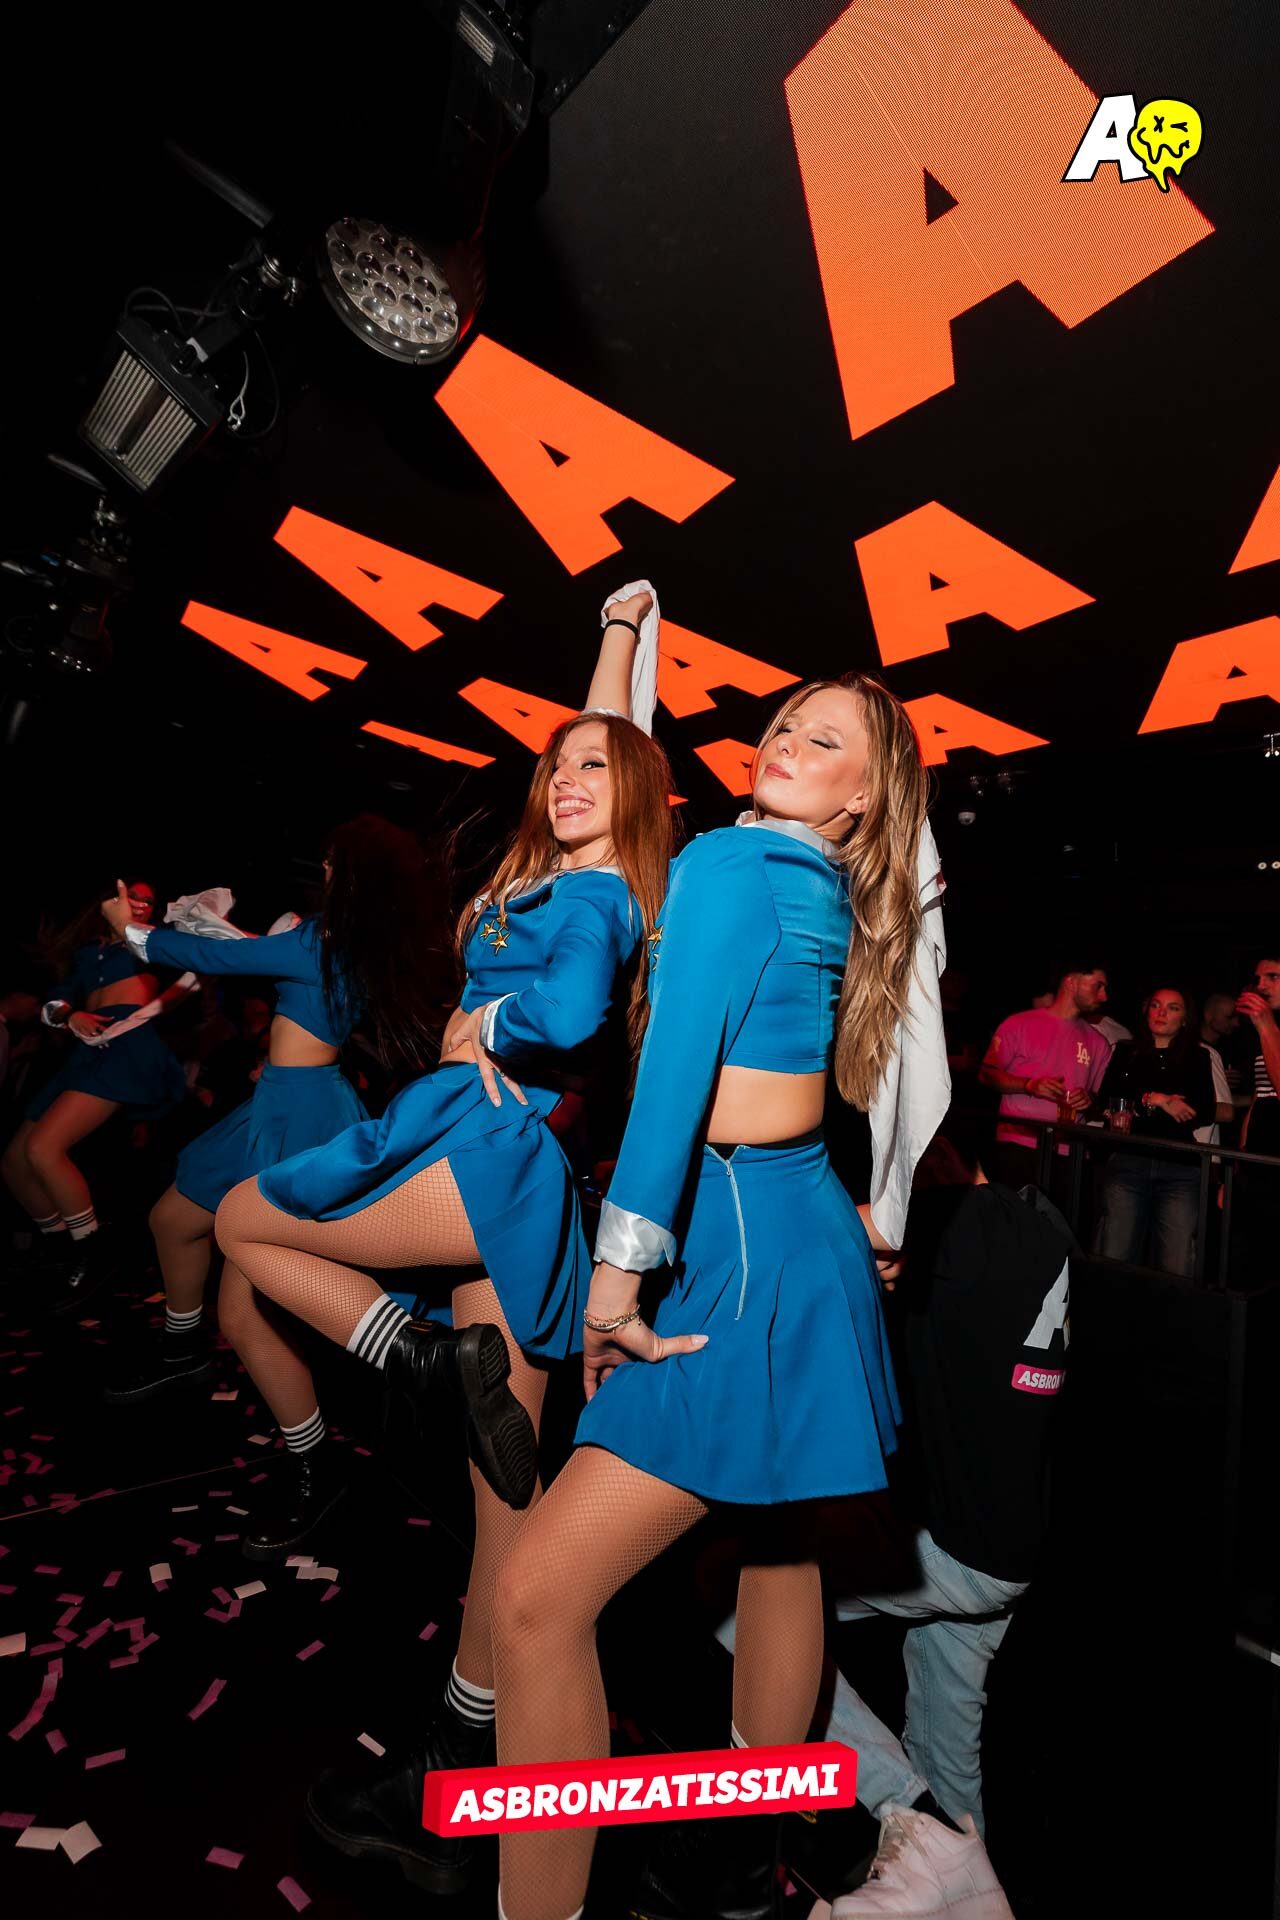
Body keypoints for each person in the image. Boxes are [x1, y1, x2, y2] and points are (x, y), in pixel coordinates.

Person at [213, 590, 674, 1891]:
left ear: (637, 800)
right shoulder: (559, 867)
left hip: (483, 1151)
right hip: (520, 1182)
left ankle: (411, 1357)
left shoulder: (597, 893)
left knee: (244, 1218)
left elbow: (571, 1006)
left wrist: (498, 1025)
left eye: (596, 772)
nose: (570, 778)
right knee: (504, 1509)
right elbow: (598, 745)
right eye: (557, 767)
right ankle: (461, 1752)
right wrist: (617, 637)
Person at [488, 671, 948, 1920]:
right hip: (800, 1230)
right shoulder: (824, 881)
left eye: (825, 740)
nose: (786, 742)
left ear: (866, 796)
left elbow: (675, 1077)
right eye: (784, 725)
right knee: (777, 1547)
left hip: (737, 1248)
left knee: (532, 1602)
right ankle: (751, 1849)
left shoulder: (735, 865)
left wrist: (615, 1279)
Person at [755, 1128, 1067, 1920]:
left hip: (953, 1549)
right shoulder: (1045, 1229)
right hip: (1009, 1543)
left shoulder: (956, 1230)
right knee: (946, 1749)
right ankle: (966, 1897)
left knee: (742, 1602)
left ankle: (902, 1803)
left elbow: (813, 1226)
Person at [99, 817, 436, 1416]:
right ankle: (184, 1352)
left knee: (246, 1309)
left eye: (333, 859)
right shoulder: (344, 940)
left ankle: (314, 1443)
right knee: (173, 1220)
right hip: (282, 1100)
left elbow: (217, 956)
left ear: (354, 872)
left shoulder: (323, 941)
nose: (324, 867)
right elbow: (253, 952)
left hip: (301, 1114)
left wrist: (129, 929)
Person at [0, 878, 192, 1311]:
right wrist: (70, 1015)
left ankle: (94, 1252)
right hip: (86, 1048)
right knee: (14, 1160)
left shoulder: (153, 941)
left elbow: (195, 960)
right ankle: (60, 1249)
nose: (141, 903)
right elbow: (56, 1002)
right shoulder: (88, 952)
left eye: (148, 900)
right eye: (133, 896)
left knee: (43, 1149)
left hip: (126, 1045)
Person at [1095, 987, 1218, 1278]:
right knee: (1114, 1252)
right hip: (1129, 1159)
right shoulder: (1126, 1051)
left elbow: (1204, 1110)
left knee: (1177, 1261)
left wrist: (1139, 1103)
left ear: (1185, 1018)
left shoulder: (1198, 1056)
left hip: (1179, 1165)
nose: (1162, 1013)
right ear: (1146, 1010)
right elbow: (1106, 1100)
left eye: (1173, 1008)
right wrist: (1157, 1099)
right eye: (1156, 1005)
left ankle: (1173, 1309)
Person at [977, 963, 1112, 1191]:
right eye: (1097, 986)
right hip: (1018, 1145)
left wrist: (1089, 1100)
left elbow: (1102, 1103)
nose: (1104, 996)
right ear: (1072, 982)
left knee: (1060, 1214)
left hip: (1071, 1151)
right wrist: (1029, 1085)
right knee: (1014, 1212)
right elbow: (986, 1074)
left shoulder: (1098, 1042)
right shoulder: (1019, 1024)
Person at [1234, 955, 1280, 1285]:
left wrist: (1267, 1026)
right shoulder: (1266, 1031)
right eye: (1258, 978)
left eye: (1273, 977)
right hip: (1259, 1163)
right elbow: (1259, 1097)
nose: (1261, 985)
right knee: (1251, 1261)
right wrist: (1238, 1165)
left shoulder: (1269, 1028)